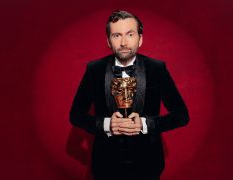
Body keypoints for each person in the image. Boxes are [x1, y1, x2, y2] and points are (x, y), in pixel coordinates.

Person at [70, 10, 189, 180]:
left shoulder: (157, 69)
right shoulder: (94, 70)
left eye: (130, 34)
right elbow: (75, 115)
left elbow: (182, 116)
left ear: (140, 39)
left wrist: (145, 124)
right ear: (108, 41)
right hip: (105, 167)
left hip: (148, 166)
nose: (124, 42)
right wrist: (106, 124)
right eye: (117, 35)